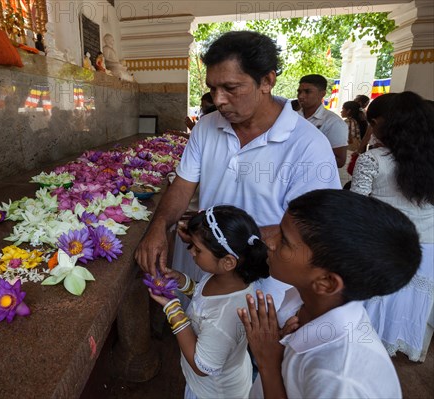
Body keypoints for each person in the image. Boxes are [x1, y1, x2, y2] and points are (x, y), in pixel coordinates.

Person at [135, 31, 340, 310]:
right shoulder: (206, 128)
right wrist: (159, 227)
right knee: (202, 337)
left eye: (231, 88)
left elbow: (314, 225)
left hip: (265, 287)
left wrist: (226, 237)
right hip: (207, 277)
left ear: (267, 81)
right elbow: (183, 186)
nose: (218, 100)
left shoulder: (307, 145)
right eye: (212, 88)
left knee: (249, 349)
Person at [238, 189, 421, 398]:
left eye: (284, 241)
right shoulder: (301, 302)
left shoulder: (340, 378)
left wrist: (268, 363)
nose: (269, 242)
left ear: (326, 282)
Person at [148, 205, 269, 399]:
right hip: (230, 373)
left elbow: (201, 366)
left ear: (228, 262)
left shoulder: (225, 319)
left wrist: (173, 310)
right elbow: (202, 298)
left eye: (198, 249)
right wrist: (183, 281)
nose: (191, 252)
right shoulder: (227, 279)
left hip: (213, 392)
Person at [351, 91, 434, 362]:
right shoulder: (428, 159)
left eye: (373, 125)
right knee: (408, 299)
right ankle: (397, 344)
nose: (372, 131)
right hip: (428, 245)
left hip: (387, 242)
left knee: (379, 298)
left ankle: (367, 351)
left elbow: (356, 207)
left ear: (386, 124)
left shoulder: (373, 160)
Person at [297, 74, 348, 168]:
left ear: (322, 94)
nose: (301, 96)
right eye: (299, 92)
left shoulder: (334, 123)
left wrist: (306, 153)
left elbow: (339, 161)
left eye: (307, 92)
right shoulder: (292, 117)